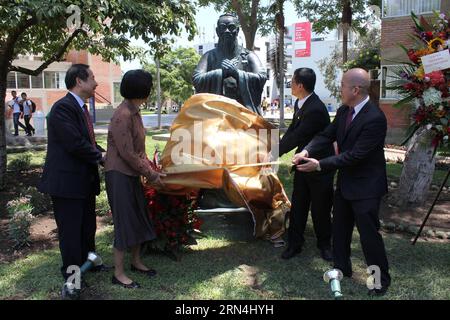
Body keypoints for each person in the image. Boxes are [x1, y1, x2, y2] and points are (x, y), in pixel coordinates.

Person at [293, 68, 391, 296]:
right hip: (346, 184)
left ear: (355, 90)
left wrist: (319, 164)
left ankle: (378, 281)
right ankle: (341, 268)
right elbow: (327, 135)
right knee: (340, 229)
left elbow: (355, 155)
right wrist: (306, 150)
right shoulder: (344, 111)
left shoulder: (375, 118)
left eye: (343, 85)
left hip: (366, 187)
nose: (340, 89)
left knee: (369, 238)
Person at [39, 64, 110, 293]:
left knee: (87, 229)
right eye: (92, 78)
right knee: (71, 234)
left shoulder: (80, 108)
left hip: (83, 183)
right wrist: (100, 155)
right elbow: (74, 144)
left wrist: (104, 154)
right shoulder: (62, 108)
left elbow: (86, 141)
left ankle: (89, 264)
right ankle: (73, 280)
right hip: (67, 185)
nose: (96, 83)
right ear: (79, 81)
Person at [105, 70, 166, 289]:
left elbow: (139, 152)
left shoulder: (134, 111)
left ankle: (136, 261)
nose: (150, 90)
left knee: (139, 216)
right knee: (125, 222)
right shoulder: (123, 115)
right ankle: (118, 273)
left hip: (131, 173)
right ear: (141, 89)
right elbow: (127, 153)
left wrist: (151, 169)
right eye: (149, 86)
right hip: (119, 174)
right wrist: (151, 174)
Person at [277, 68, 335, 262]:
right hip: (303, 164)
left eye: (292, 81)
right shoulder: (300, 103)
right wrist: (275, 148)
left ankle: (325, 245)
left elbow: (297, 136)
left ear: (300, 85)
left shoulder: (315, 109)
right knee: (299, 205)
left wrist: (274, 152)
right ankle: (295, 244)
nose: (290, 85)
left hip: (319, 167)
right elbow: (293, 130)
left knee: (320, 209)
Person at [193, 13, 267, 115]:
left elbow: (262, 76)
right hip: (215, 114)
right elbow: (197, 79)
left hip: (243, 113)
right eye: (223, 27)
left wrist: (236, 73)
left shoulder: (249, 56)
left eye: (231, 27)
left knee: (265, 130)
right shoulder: (209, 56)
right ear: (217, 31)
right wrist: (222, 73)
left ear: (237, 31)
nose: (227, 31)